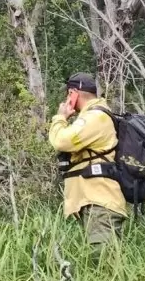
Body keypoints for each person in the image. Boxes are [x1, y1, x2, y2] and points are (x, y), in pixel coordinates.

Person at [48, 72, 127, 255]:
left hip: (101, 203)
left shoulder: (94, 117)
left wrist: (60, 118)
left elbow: (61, 141)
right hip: (94, 202)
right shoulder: (92, 117)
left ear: (73, 93)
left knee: (103, 264)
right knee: (99, 264)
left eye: (68, 94)